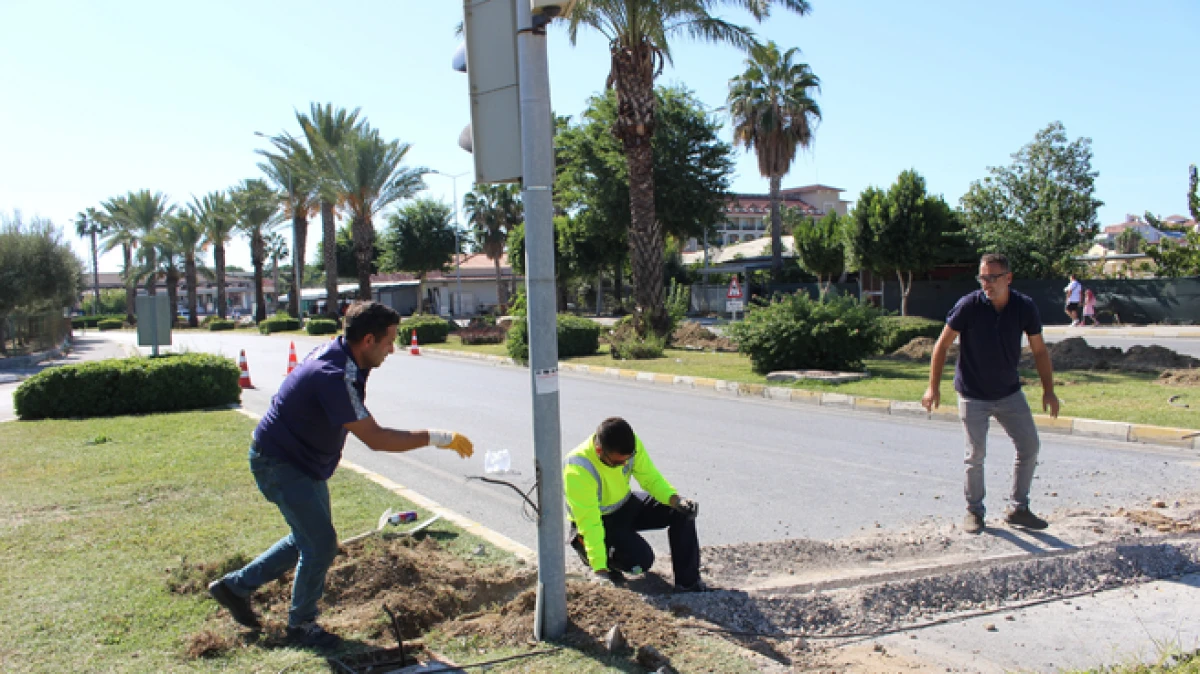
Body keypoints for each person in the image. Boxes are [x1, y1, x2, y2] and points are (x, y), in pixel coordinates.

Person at [207, 301, 474, 648]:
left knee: (307, 539)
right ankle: (301, 626)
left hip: (301, 461)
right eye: (389, 341)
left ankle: (234, 588)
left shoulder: (344, 355)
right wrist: (438, 438)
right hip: (280, 462)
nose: (392, 350)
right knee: (319, 545)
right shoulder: (333, 375)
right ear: (367, 340)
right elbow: (376, 439)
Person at [921, 253, 1061, 535]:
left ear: (1008, 278)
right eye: (983, 277)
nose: (987, 284)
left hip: (1009, 392)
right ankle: (974, 511)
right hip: (973, 394)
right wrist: (932, 386)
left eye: (993, 277)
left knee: (1029, 446)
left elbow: (1040, 350)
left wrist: (1049, 391)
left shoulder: (1024, 307)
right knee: (976, 454)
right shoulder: (969, 305)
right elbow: (942, 344)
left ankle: (1018, 508)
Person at [564, 417, 706, 592]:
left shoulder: (629, 444)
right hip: (600, 522)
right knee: (641, 561)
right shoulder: (578, 468)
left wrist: (676, 500)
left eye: (627, 459)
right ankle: (606, 565)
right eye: (617, 462)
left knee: (682, 512)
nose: (624, 465)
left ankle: (688, 583)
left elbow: (650, 478)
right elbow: (590, 523)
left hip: (625, 504)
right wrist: (600, 571)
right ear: (599, 450)